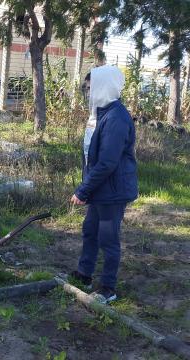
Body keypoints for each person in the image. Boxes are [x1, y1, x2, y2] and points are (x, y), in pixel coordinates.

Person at [70, 65, 138, 304]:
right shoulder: (100, 112)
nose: (88, 93)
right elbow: (92, 154)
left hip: (113, 190)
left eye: (91, 88)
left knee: (108, 238)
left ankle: (108, 288)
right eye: (87, 89)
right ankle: (84, 275)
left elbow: (108, 162)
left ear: (103, 87)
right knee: (90, 231)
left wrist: (83, 189)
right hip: (101, 188)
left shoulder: (117, 117)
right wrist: (88, 185)